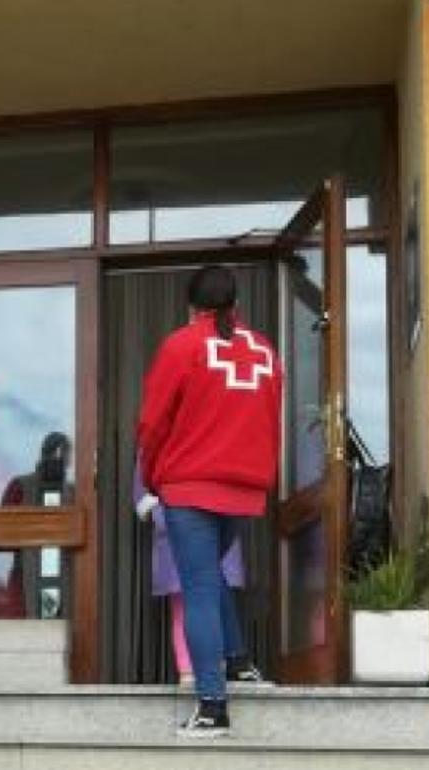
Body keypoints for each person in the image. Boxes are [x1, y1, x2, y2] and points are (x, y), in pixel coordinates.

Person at [137, 265, 281, 738]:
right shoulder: (264, 350)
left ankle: (213, 707)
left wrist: (154, 477)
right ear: (235, 305)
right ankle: (239, 663)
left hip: (190, 486)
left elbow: (153, 423)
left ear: (192, 305)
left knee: (197, 586)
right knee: (211, 575)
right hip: (243, 488)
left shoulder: (182, 345)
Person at [132, 457, 249, 686]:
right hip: (179, 524)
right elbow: (144, 474)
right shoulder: (163, 436)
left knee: (216, 604)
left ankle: (218, 669)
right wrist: (160, 511)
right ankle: (188, 671)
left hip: (215, 516)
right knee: (184, 607)